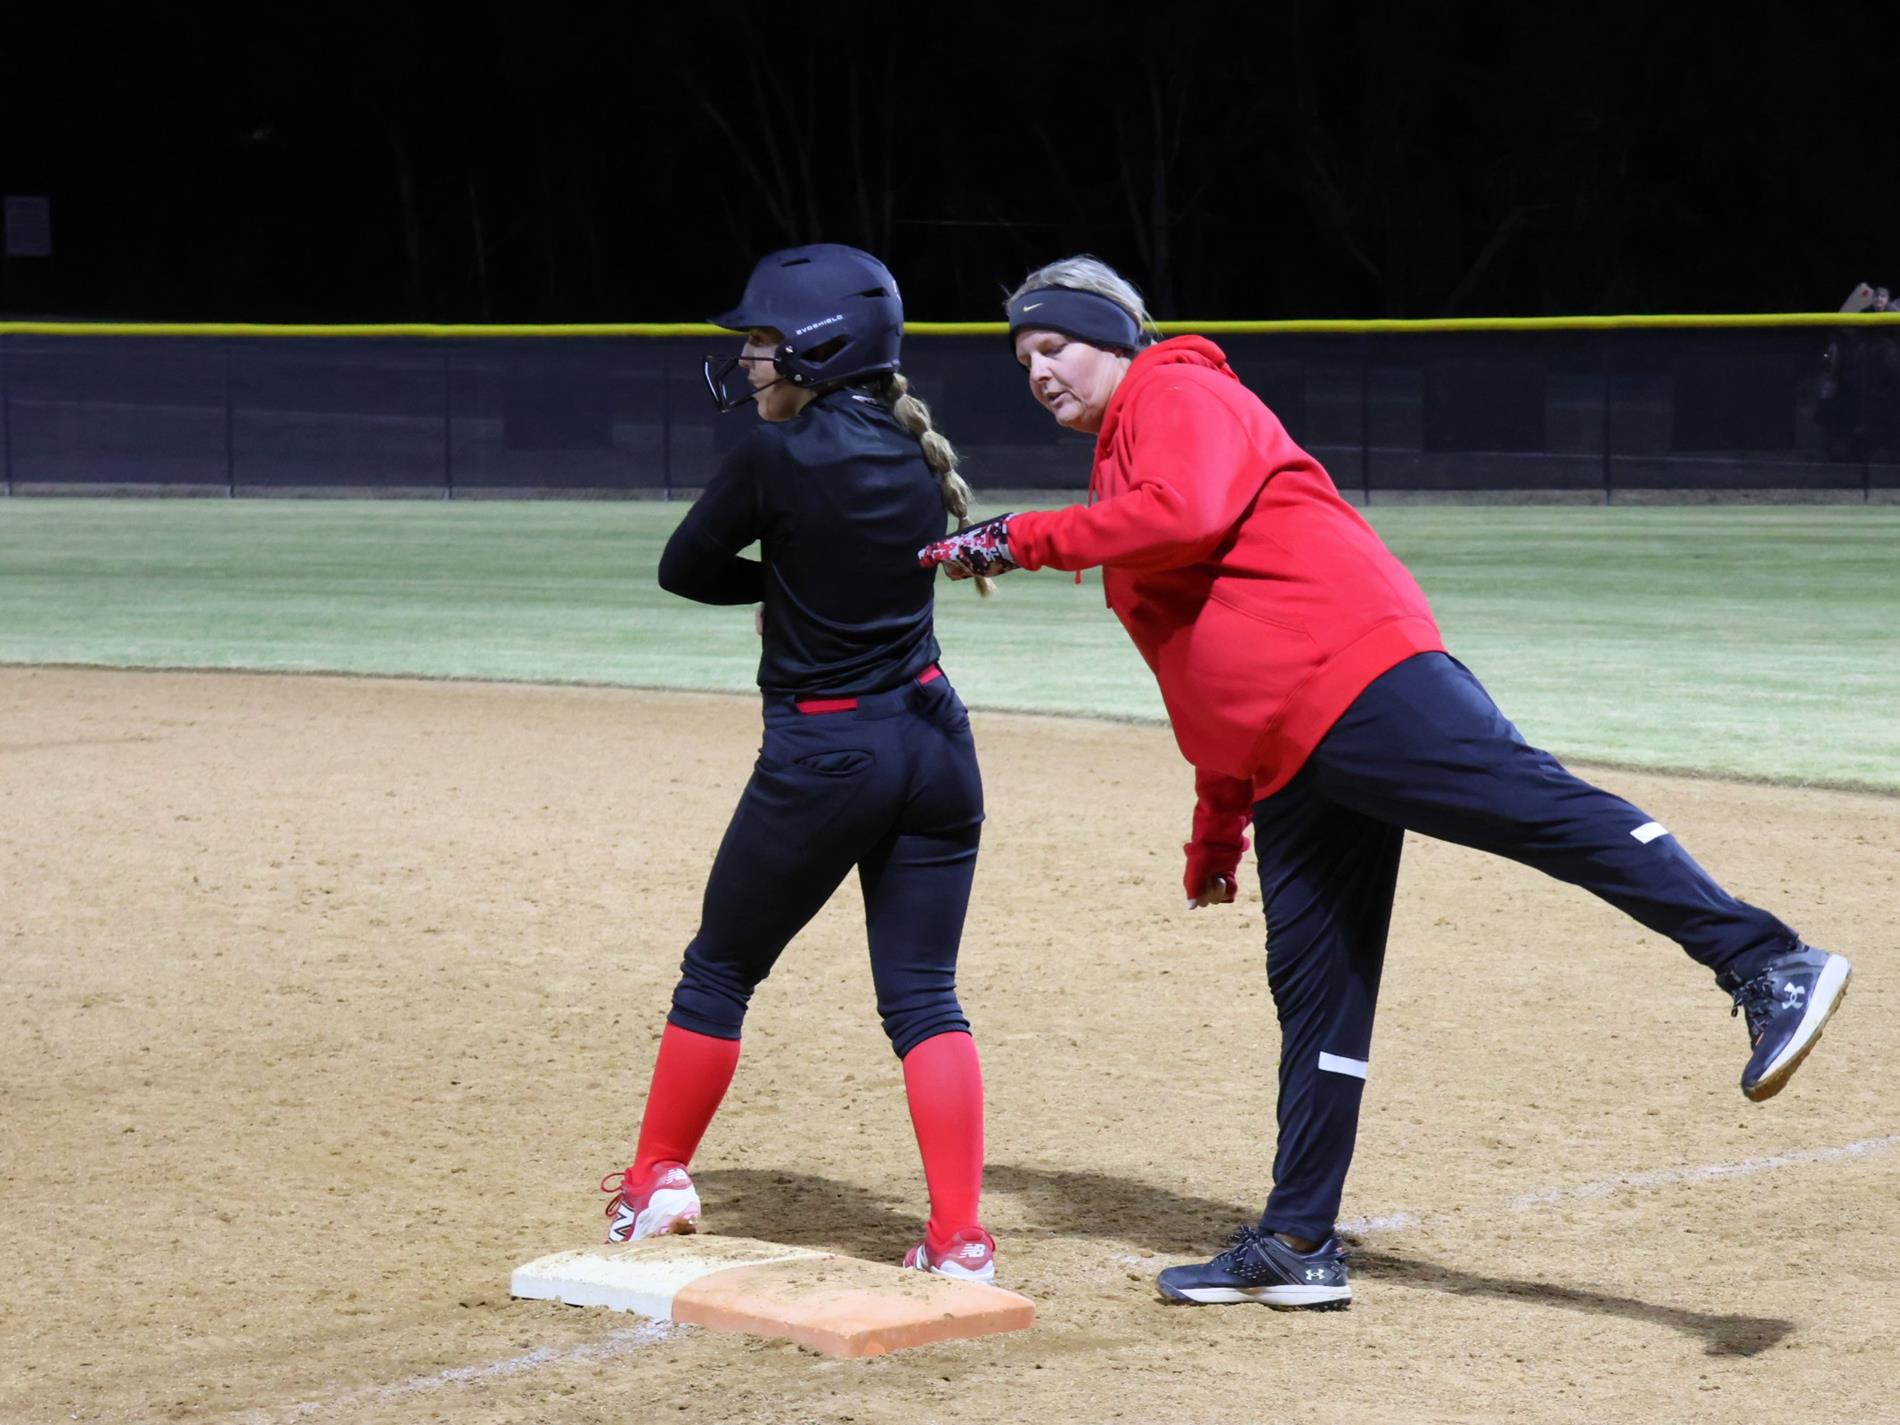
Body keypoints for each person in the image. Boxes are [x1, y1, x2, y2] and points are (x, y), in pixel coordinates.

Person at [917, 254, 1852, 1310]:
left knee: (1533, 807)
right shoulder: (1117, 463)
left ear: (1116, 336)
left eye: (1057, 345)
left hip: (1355, 679)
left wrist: (1019, 537)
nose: (1040, 370)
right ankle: (1299, 1242)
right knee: (1318, 995)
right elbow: (1194, 664)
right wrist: (1216, 830)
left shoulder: (1177, 389)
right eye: (1024, 357)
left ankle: (1765, 961)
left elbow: (1188, 514)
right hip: (1287, 754)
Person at [601, 244, 998, 1282]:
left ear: (822, 348)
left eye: (765, 342)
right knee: (923, 998)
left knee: (719, 971)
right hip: (937, 741)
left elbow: (684, 569)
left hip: (828, 751)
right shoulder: (920, 455)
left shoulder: (773, 459)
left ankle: (656, 1182)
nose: (749, 361)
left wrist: (776, 584)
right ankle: (959, 1237)